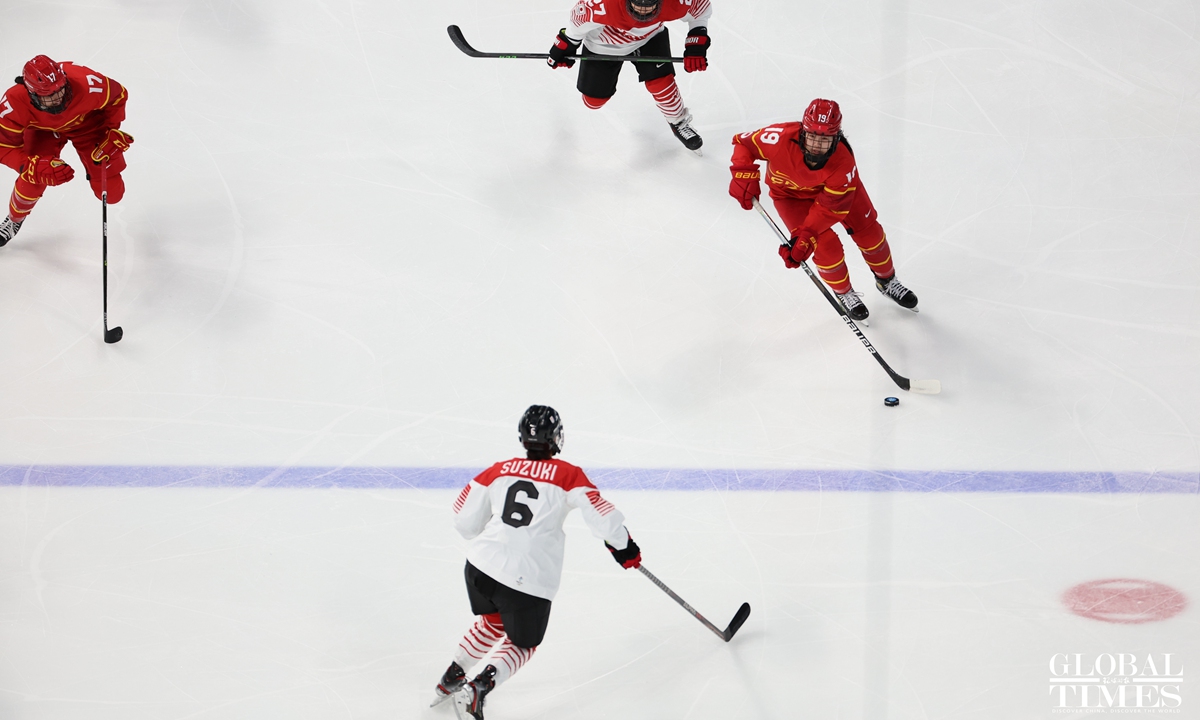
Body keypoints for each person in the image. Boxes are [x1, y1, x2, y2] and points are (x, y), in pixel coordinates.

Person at [432, 405, 641, 720]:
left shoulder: (499, 470)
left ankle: (451, 676)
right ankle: (478, 688)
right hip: (526, 580)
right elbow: (603, 517)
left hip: (480, 568)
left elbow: (465, 523)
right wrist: (624, 547)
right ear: (556, 438)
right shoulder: (569, 475)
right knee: (523, 644)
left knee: (493, 622)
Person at [728, 99, 918, 321]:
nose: (817, 145)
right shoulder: (779, 138)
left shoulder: (843, 162)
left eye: (825, 139)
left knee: (870, 233)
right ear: (802, 132)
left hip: (838, 196)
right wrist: (743, 172)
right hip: (790, 197)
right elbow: (743, 143)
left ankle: (887, 281)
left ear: (836, 138)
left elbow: (830, 208)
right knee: (826, 247)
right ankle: (844, 293)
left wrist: (806, 234)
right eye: (812, 136)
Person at [546, 0, 712, 154]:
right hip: (604, 45)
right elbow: (577, 22)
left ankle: (677, 121)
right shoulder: (603, 5)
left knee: (661, 82)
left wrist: (696, 44)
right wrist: (566, 44)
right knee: (593, 102)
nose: (643, 12)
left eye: (649, 6)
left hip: (649, 38)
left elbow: (700, 9)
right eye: (638, 5)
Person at [0, 55, 132, 247]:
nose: (57, 98)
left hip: (87, 125)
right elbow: (3, 147)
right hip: (43, 131)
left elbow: (118, 95)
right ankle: (14, 220)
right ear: (30, 93)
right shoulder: (13, 102)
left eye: (60, 90)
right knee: (34, 177)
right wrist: (29, 166)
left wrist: (111, 130)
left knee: (112, 193)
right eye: (48, 96)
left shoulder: (88, 84)